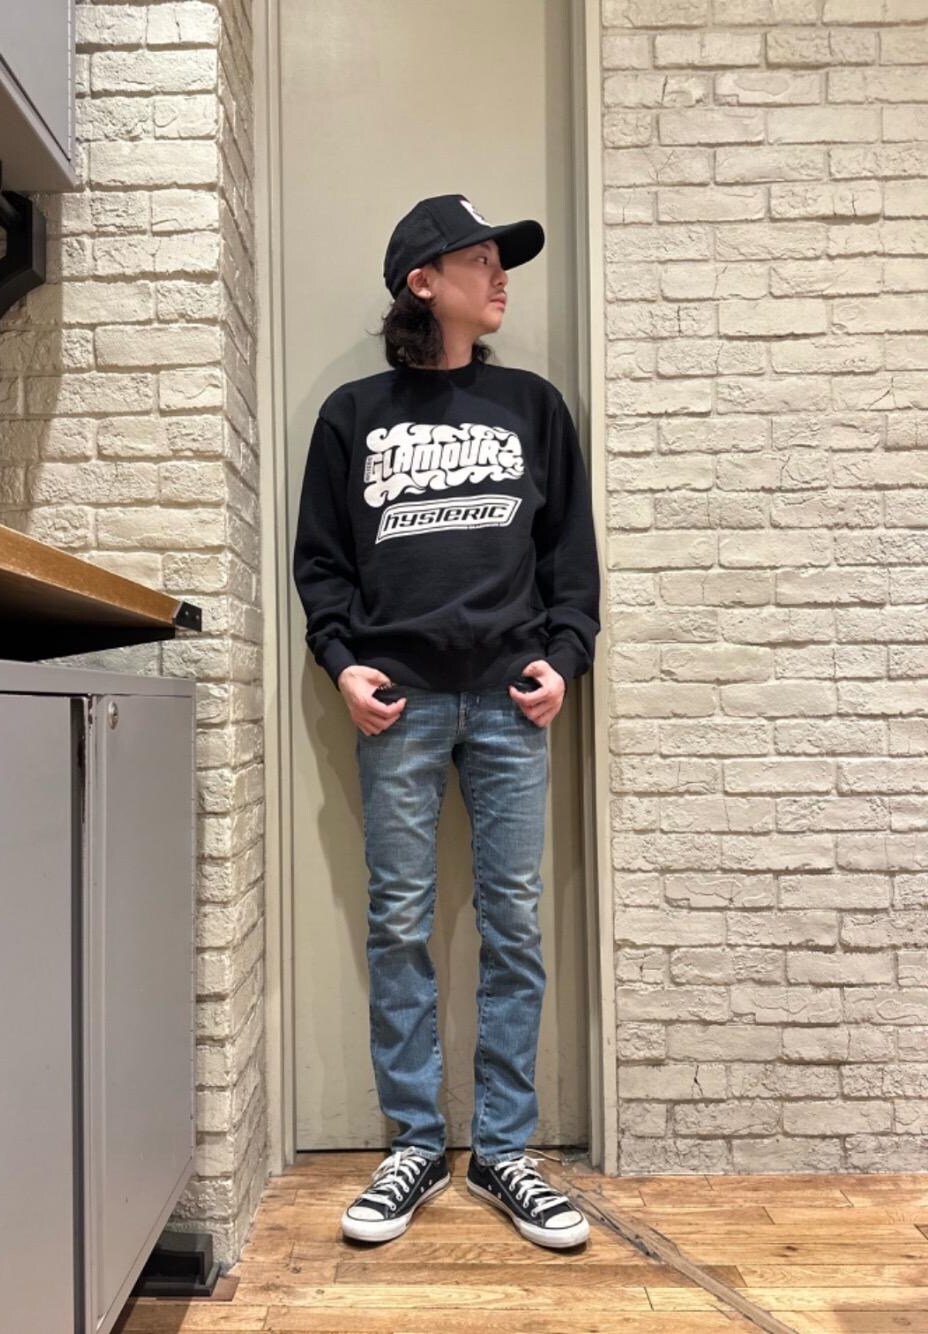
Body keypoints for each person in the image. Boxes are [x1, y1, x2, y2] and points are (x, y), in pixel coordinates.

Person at [292, 194, 600, 1250]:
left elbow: (569, 554)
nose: (500, 277)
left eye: (501, 262)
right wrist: (341, 663)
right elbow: (322, 561)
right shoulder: (354, 414)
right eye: (479, 260)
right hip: (400, 702)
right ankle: (417, 1143)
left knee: (514, 923)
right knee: (398, 922)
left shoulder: (531, 404)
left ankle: (505, 1150)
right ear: (422, 282)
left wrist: (565, 658)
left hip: (512, 697)